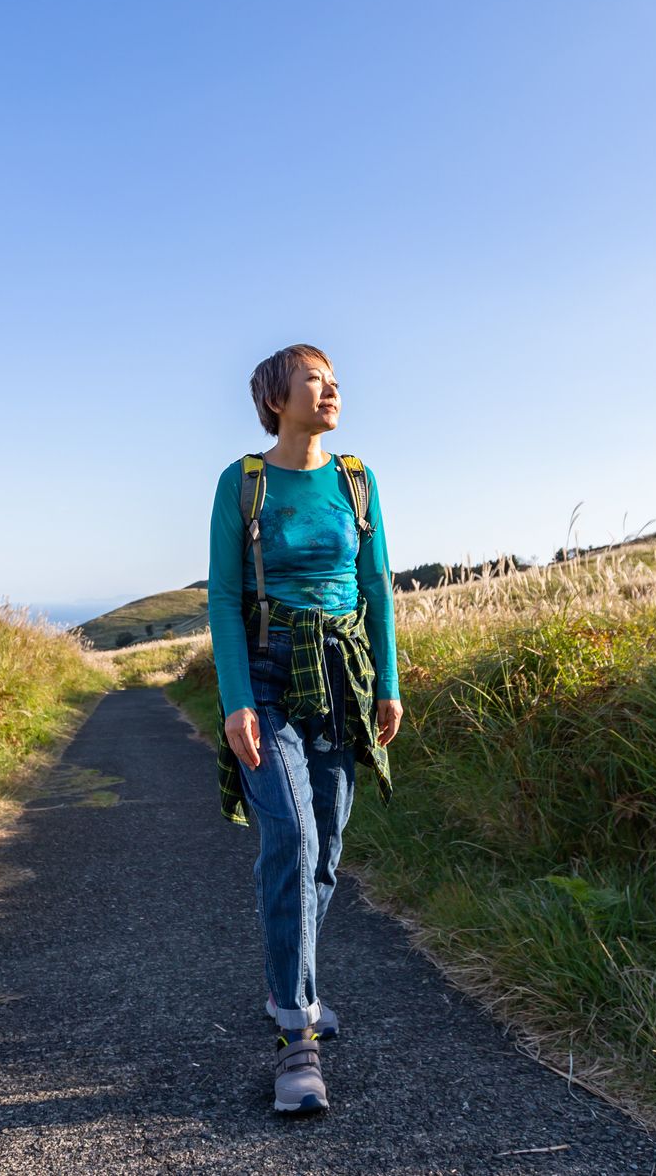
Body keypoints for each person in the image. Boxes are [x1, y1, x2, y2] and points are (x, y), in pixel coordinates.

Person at [207, 343, 403, 1117]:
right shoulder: (243, 483)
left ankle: (296, 986)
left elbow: (377, 583)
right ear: (273, 398)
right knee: (291, 838)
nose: (330, 392)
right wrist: (234, 701)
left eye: (333, 382)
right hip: (267, 673)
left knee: (328, 850)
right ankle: (296, 1036)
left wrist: (387, 683)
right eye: (313, 381)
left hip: (345, 678)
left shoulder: (356, 480)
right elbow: (224, 597)